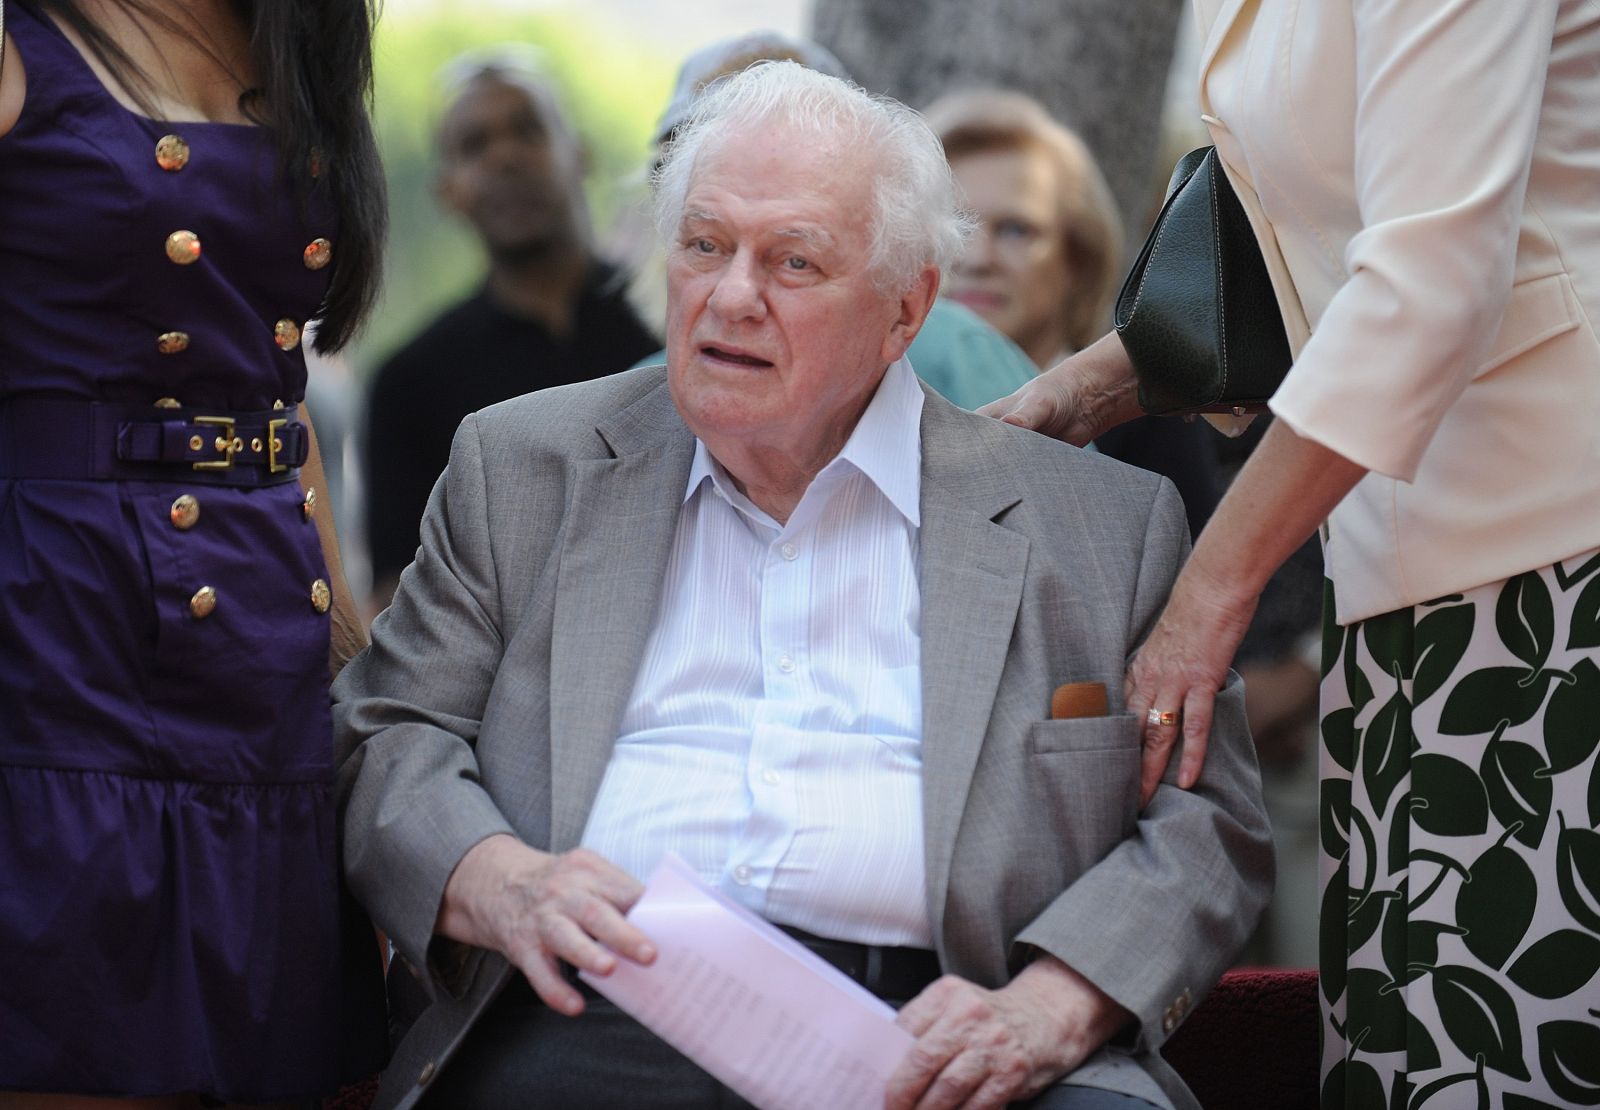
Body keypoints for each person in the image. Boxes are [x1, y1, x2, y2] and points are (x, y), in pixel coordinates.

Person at [335, 61, 1272, 1110]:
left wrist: (1048, 1009)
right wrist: (496, 879)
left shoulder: (1093, 523)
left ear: (905, 308)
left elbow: (1206, 827)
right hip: (601, 1011)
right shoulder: (523, 468)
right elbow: (385, 727)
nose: (730, 296)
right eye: (704, 245)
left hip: (967, 1025)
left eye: (792, 262)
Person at [983, 1, 1600, 1101]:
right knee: (1408, 1040)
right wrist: (1074, 393)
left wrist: (1205, 596)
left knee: (1512, 1048)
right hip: (1396, 557)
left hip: (1556, 554)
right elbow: (1293, 256)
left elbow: (1426, 284)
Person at [0, 0, 385, 1105]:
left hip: (267, 630)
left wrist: (352, 658)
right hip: (60, 627)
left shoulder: (299, 40)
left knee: (305, 1064)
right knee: (78, 1051)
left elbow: (279, 398)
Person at [362, 48, 657, 613]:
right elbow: (397, 600)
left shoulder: (669, 327)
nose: (505, 158)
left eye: (528, 130)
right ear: (448, 191)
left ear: (580, 153)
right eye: (474, 145)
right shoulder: (410, 381)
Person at [620, 30, 1040, 413]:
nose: (735, 296)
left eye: (794, 156)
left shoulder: (957, 351)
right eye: (696, 161)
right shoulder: (634, 397)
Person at [925, 88, 1220, 542]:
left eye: (1015, 230)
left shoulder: (1149, 420)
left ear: (1078, 259)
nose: (976, 258)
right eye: (953, 226)